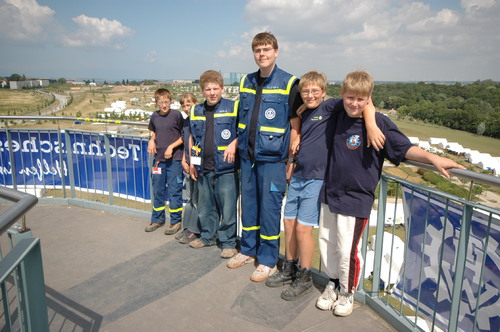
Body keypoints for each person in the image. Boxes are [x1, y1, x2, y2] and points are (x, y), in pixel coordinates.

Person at [316, 70, 465, 317]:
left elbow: (403, 147)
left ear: (368, 99)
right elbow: (316, 97)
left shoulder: (381, 123)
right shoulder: (338, 114)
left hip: (356, 198)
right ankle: (332, 283)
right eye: (350, 97)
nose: (354, 103)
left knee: (347, 250)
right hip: (330, 193)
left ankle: (347, 292)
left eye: (360, 99)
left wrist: (432, 157)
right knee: (328, 244)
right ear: (343, 94)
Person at [265, 70, 385, 301]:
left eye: (315, 91)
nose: (310, 96)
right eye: (305, 92)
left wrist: (370, 123)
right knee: (288, 224)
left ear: (324, 91)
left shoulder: (330, 108)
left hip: (317, 178)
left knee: (303, 229)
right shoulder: (304, 113)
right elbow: (299, 130)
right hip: (299, 175)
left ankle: (305, 274)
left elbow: (362, 99)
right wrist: (296, 137)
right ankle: (290, 267)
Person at [227, 32, 302, 282]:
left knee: (269, 210)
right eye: (258, 50)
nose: (262, 54)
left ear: (276, 52)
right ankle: (248, 250)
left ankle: (268, 260)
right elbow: (243, 120)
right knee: (248, 207)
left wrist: (291, 161)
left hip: (273, 161)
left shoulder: (290, 82)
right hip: (247, 158)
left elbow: (295, 126)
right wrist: (235, 142)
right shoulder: (246, 81)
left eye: (267, 49)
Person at [188, 70, 239, 259]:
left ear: (222, 88)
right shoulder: (196, 111)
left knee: (227, 208)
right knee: (205, 206)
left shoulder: (233, 107)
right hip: (203, 168)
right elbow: (194, 140)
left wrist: (234, 144)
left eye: (215, 88)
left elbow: (242, 132)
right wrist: (193, 164)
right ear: (202, 91)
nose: (212, 92)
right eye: (208, 89)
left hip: (226, 167)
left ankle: (228, 243)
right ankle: (208, 236)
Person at [145, 88, 184, 235]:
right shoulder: (154, 116)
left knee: (174, 191)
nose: (164, 105)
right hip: (159, 160)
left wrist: (171, 147)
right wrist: (151, 140)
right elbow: (155, 131)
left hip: (174, 159)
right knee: (158, 190)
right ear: (156, 102)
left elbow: (184, 135)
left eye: (166, 102)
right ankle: (157, 219)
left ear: (170, 101)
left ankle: (175, 222)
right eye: (161, 102)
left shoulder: (176, 115)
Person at [176, 93, 201, 244]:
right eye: (184, 106)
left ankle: (194, 230)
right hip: (188, 163)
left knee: (198, 198)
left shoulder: (199, 120)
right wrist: (184, 160)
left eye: (189, 105)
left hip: (197, 164)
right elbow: (186, 142)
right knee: (191, 197)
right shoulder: (186, 122)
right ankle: (186, 227)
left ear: (196, 103)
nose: (186, 108)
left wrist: (193, 163)